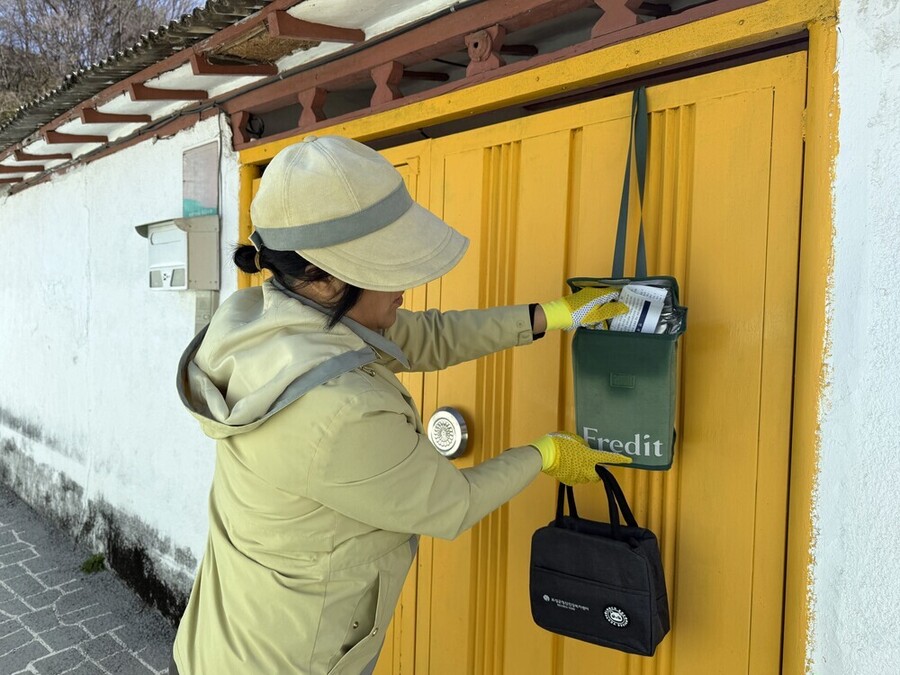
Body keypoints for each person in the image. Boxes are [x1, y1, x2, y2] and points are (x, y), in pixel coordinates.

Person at [170, 135, 630, 675]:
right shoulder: (339, 412)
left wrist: (549, 316)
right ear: (324, 277)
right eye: (387, 267)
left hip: (221, 640)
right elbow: (452, 504)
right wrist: (545, 454)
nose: (406, 285)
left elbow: (424, 337)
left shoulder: (262, 316)